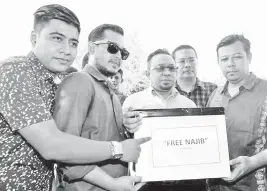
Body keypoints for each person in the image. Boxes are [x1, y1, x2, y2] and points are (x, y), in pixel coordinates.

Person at [0, 5, 147, 191]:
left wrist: (126, 126)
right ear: (34, 38)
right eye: (57, 38)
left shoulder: (56, 82)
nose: (67, 50)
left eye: (73, 43)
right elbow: (53, 145)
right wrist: (119, 150)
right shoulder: (15, 71)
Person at [53, 24, 148, 191]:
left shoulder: (111, 93)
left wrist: (127, 128)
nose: (118, 55)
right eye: (112, 48)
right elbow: (63, 151)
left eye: (123, 52)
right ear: (92, 48)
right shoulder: (79, 81)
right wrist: (111, 184)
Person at [207, 34, 267, 191]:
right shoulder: (215, 94)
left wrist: (253, 162)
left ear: (249, 57)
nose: (230, 64)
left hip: (260, 185)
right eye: (224, 59)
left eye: (237, 57)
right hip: (218, 187)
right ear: (218, 62)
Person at [123, 49, 197, 191]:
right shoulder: (132, 102)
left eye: (171, 68)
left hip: (184, 182)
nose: (167, 72)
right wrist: (126, 129)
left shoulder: (189, 105)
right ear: (148, 73)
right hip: (145, 183)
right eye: (160, 68)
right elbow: (123, 140)